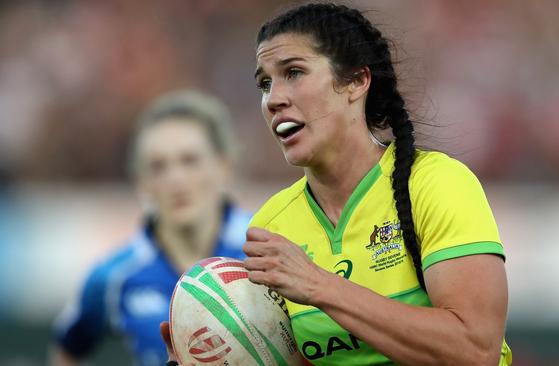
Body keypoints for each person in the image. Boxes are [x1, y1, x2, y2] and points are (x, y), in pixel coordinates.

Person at [163, 3, 513, 365]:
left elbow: (475, 351)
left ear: (356, 82)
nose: (273, 99)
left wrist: (319, 286)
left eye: (294, 72)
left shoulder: (436, 184)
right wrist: (207, 355)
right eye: (265, 83)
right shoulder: (272, 225)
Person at [50, 90, 251, 366]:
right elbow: (67, 348)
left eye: (189, 160)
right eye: (158, 167)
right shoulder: (114, 277)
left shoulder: (265, 247)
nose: (176, 179)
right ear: (141, 182)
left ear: (224, 166)